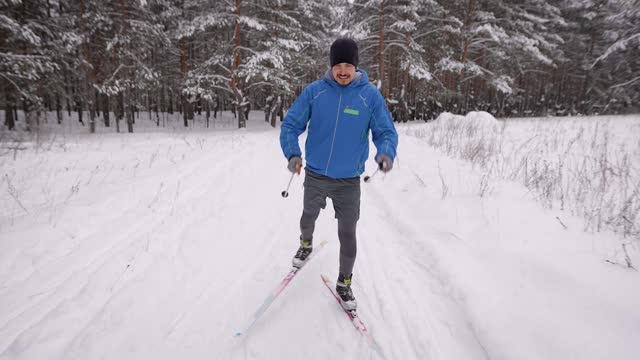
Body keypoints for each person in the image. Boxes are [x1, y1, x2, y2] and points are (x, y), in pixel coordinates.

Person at [279, 38, 398, 310]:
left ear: (356, 66)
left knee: (347, 231)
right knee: (308, 215)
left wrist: (386, 152)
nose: (343, 71)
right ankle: (305, 244)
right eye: (338, 65)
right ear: (331, 66)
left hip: (348, 181)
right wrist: (293, 154)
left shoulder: (369, 96)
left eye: (348, 65)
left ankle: (344, 283)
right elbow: (290, 126)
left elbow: (385, 132)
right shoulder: (315, 92)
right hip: (316, 174)